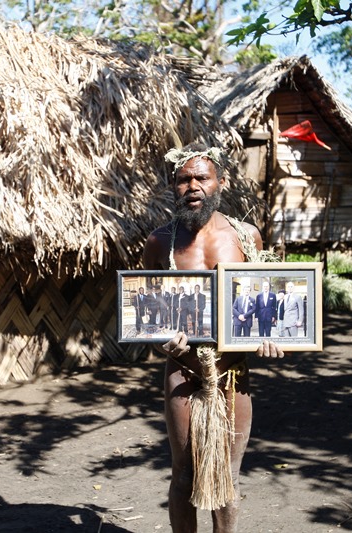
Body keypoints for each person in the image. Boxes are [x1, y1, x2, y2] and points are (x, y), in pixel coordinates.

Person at [143, 142, 284, 533]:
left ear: (220, 181)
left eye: (201, 177)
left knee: (227, 476)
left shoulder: (247, 238)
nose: (193, 186)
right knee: (184, 476)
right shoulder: (159, 243)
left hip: (232, 374)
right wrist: (160, 340)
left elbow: (263, 302)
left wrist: (269, 337)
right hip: (182, 372)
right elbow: (149, 313)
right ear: (174, 187)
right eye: (183, 179)